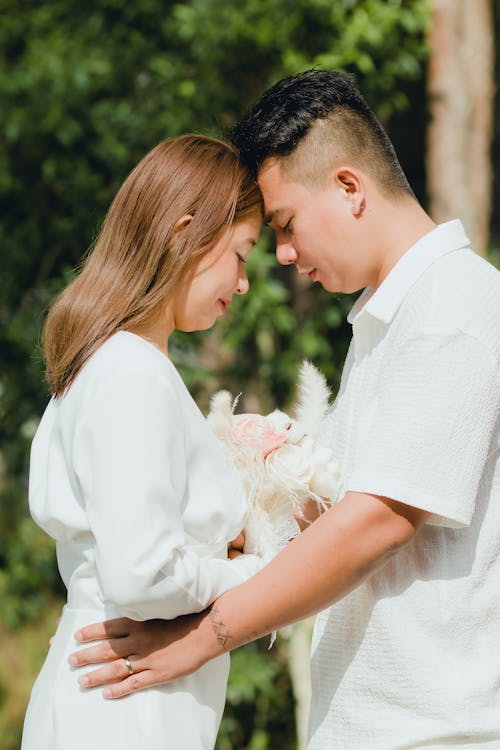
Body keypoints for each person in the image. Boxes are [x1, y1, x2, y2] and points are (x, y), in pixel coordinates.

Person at [69, 71, 500, 749]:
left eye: (286, 224)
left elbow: (376, 523)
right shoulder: (386, 324)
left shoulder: (452, 311)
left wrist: (204, 637)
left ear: (350, 189)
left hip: (436, 731)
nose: (284, 254)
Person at [21, 134, 265, 750]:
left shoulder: (103, 364)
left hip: (114, 692)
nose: (242, 284)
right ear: (185, 233)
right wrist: (258, 574)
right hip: (129, 708)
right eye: (240, 254)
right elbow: (143, 575)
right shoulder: (132, 371)